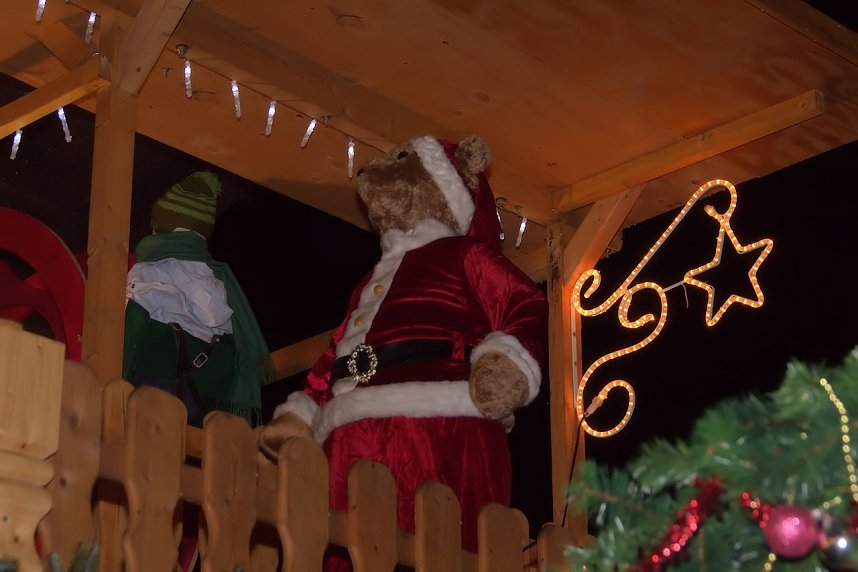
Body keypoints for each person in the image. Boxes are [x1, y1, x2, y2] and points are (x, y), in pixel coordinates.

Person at [122, 170, 273, 428]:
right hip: (203, 407)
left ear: (163, 227)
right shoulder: (219, 284)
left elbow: (131, 320)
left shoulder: (150, 271)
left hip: (150, 391)